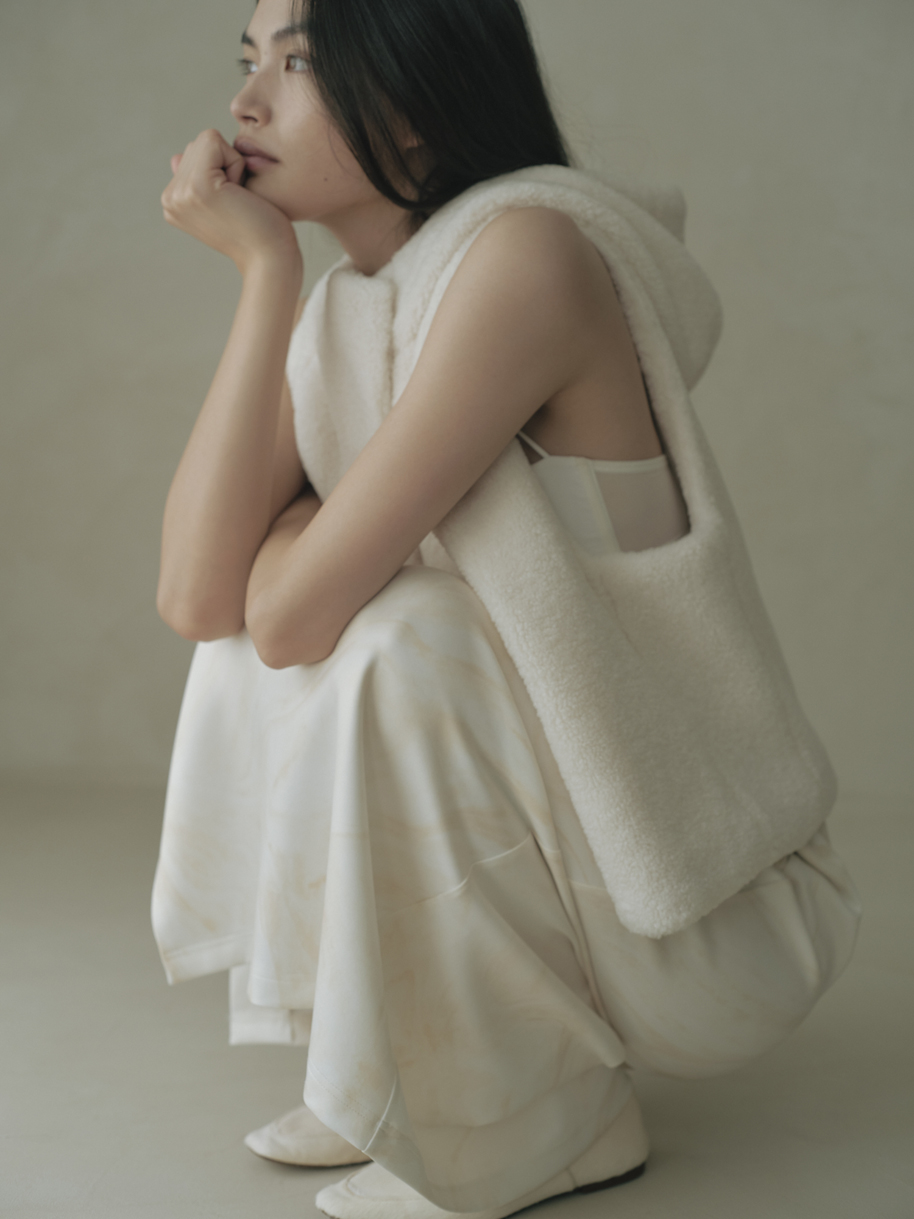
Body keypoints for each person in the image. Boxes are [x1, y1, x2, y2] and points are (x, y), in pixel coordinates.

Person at [151, 1, 862, 1217]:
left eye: (300, 63)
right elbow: (200, 599)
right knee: (324, 629)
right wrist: (266, 277)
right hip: (582, 881)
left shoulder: (524, 256)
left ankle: (535, 1118)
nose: (246, 101)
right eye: (247, 60)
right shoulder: (351, 310)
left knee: (399, 635)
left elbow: (289, 619)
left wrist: (295, 551)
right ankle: (403, 1068)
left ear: (418, 101)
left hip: (696, 910)